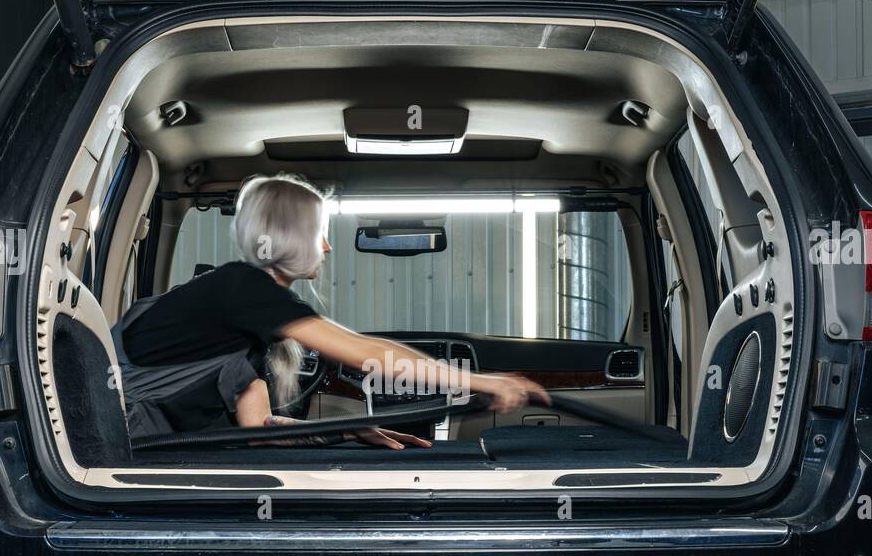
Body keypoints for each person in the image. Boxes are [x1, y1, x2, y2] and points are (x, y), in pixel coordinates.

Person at [112, 173, 548, 448]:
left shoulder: (242, 319)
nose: (327, 246)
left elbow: (258, 432)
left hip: (141, 448)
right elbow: (363, 353)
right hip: (123, 446)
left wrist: (345, 431)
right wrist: (477, 380)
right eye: (319, 233)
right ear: (289, 237)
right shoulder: (242, 288)